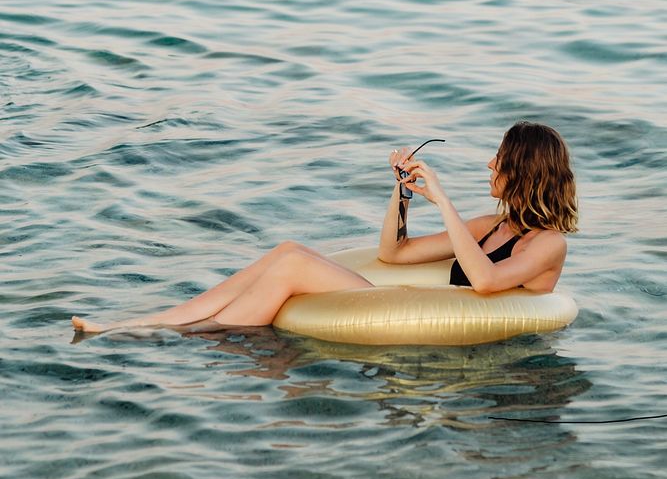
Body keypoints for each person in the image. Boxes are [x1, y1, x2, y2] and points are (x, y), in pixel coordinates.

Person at [71, 121, 577, 334]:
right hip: (402, 302)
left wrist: (442, 198)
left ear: (524, 170)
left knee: (291, 264)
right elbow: (394, 256)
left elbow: (487, 283)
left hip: (431, 323)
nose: (491, 165)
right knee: (289, 249)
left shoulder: (548, 244)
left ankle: (187, 334)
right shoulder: (491, 225)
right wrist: (401, 195)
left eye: (500, 159)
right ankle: (149, 322)